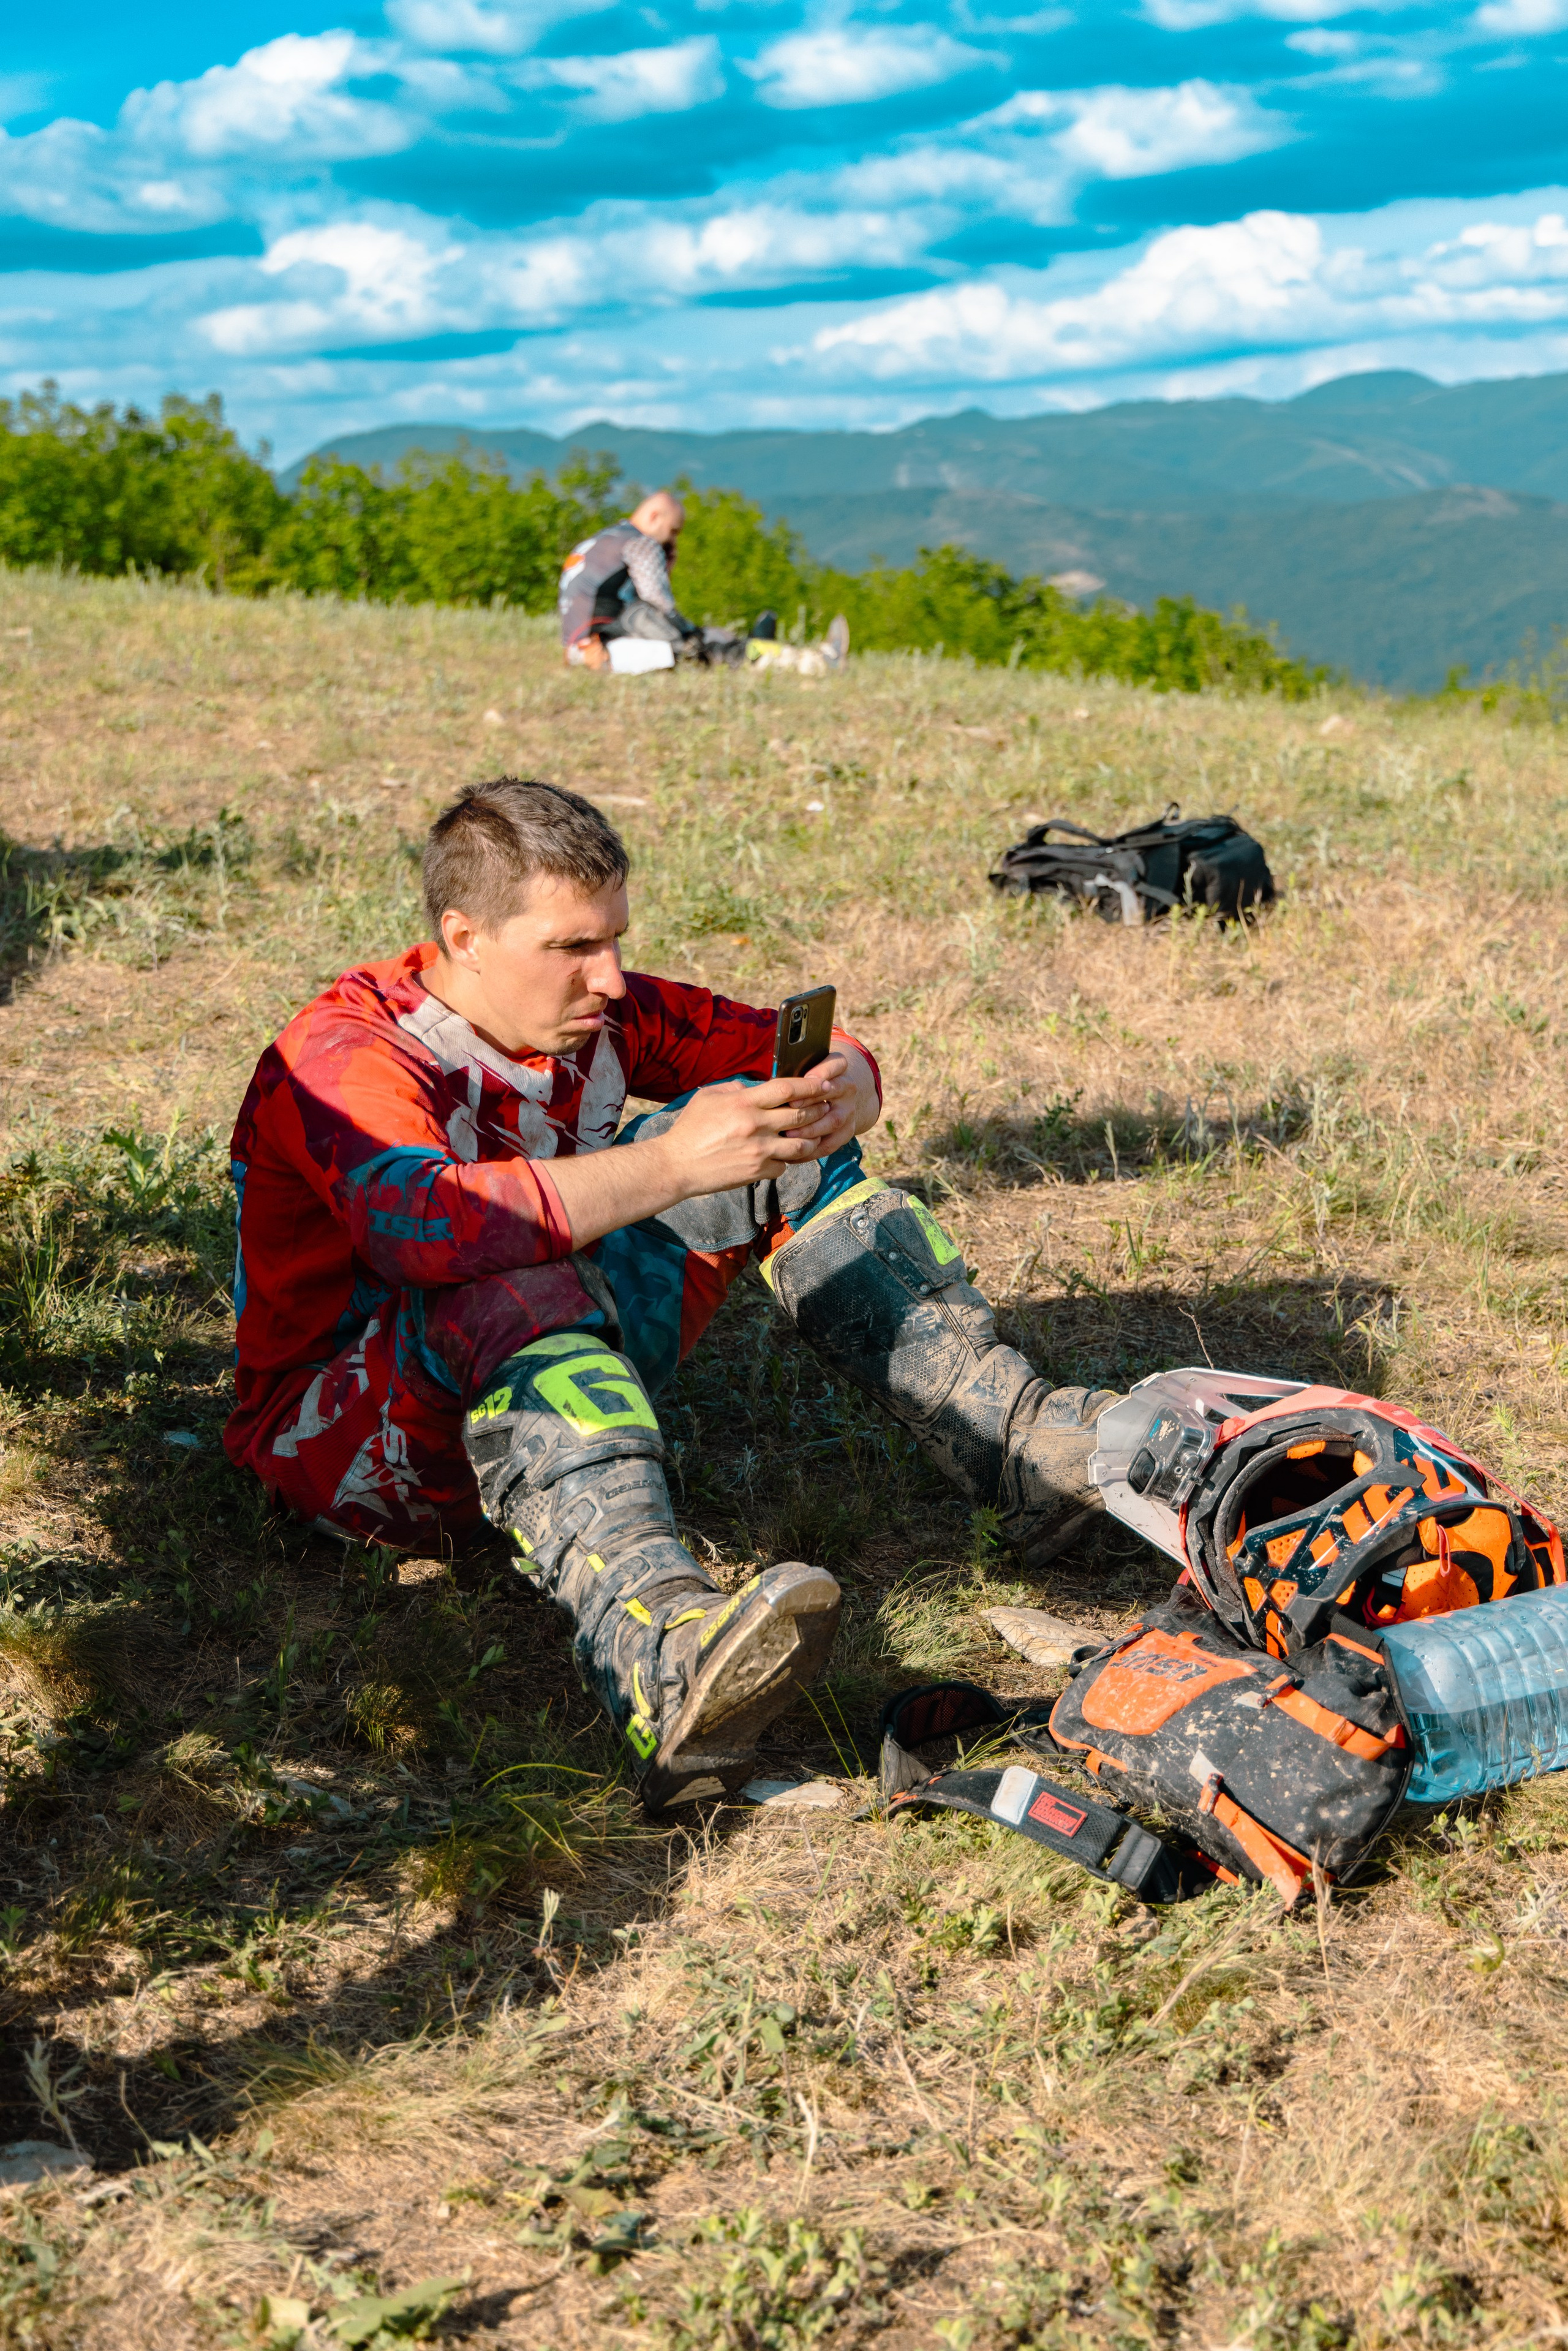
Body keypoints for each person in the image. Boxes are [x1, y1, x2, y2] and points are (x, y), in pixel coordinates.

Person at [224, 781, 1113, 1810]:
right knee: (508, 1262)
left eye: (615, 938)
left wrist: (847, 1086)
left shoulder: (598, 1013)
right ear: (464, 937)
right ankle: (661, 1650)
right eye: (572, 946)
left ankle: (1017, 1445)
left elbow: (800, 1045)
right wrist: (675, 1164)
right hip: (350, 1450)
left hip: (534, 1364)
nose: (608, 975)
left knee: (775, 1142)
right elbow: (424, 1227)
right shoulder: (342, 1055)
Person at [559, 491, 698, 668]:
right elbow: (657, 600)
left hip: (574, 643)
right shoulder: (642, 542)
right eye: (673, 531)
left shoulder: (603, 538)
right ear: (654, 517)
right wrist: (690, 632)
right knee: (691, 649)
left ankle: (586, 654)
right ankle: (602, 656)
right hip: (604, 644)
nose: (673, 541)